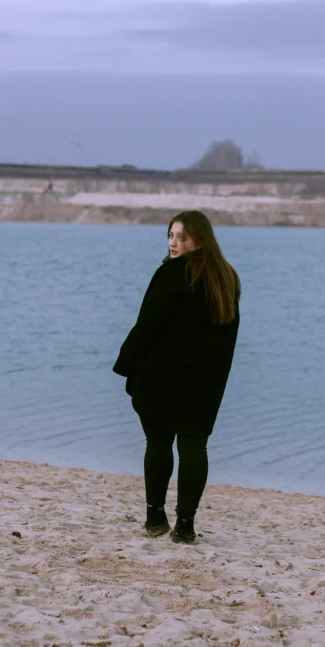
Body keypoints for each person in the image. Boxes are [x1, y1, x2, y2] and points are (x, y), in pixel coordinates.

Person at [113, 210, 241, 544]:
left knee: (158, 444)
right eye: (171, 235)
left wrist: (125, 366)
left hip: (161, 379)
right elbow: (228, 339)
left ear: (200, 239)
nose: (174, 242)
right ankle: (185, 525)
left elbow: (147, 327)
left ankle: (155, 517)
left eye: (182, 237)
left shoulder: (172, 274)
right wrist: (217, 381)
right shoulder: (227, 277)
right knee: (194, 448)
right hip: (205, 385)